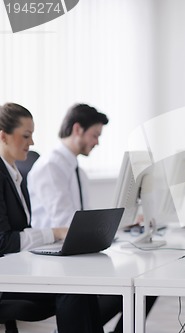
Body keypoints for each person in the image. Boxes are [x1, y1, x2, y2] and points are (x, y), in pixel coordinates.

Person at [28, 103, 155, 332]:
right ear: (78, 129)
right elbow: (66, 224)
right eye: (95, 135)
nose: (97, 142)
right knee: (129, 283)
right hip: (53, 258)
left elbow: (83, 220)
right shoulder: (50, 168)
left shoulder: (77, 171)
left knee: (146, 285)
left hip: (74, 255)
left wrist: (124, 224)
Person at [0, 102, 104, 333]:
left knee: (81, 284)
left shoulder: (14, 174)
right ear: (4, 137)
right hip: (5, 277)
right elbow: (3, 241)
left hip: (17, 265)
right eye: (26, 136)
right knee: (73, 286)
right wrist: (54, 233)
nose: (32, 143)